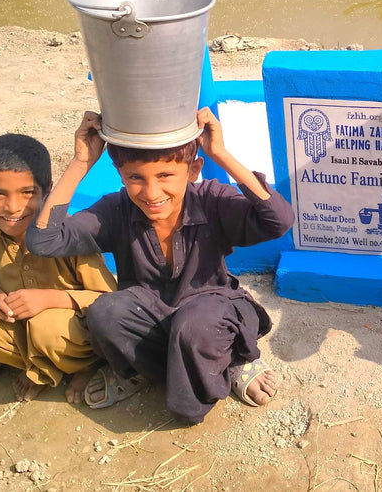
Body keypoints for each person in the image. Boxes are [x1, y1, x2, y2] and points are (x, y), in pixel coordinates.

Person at [25, 108, 294, 424]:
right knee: (105, 313)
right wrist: (80, 163)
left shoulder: (211, 200)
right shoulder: (115, 210)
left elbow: (279, 220)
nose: (151, 194)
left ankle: (233, 360)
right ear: (120, 173)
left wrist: (220, 154)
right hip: (149, 312)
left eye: (165, 176)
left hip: (211, 309)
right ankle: (143, 371)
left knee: (194, 328)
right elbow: (43, 241)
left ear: (193, 170)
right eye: (135, 178)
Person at [0, 134, 116, 402]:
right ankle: (43, 368)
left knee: (48, 326)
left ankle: (86, 366)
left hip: (71, 331)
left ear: (48, 190)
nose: (13, 207)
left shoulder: (70, 235)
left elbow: (109, 299)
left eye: (28, 193)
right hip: (26, 328)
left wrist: (50, 299)